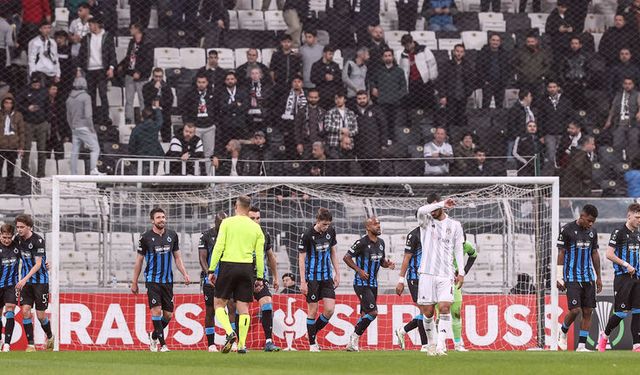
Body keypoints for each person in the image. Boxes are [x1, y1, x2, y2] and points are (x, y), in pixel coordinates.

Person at [208, 196, 265, 354]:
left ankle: (230, 332)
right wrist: (259, 277)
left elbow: (218, 247)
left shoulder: (227, 223)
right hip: (246, 268)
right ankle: (242, 345)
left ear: (236, 206)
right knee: (243, 308)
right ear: (249, 208)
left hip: (228, 265)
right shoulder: (255, 228)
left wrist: (211, 270)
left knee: (219, 304)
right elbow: (259, 255)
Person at [131, 207, 191, 352]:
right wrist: (134, 282)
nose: (162, 220)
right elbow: (139, 261)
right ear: (152, 220)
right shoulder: (145, 237)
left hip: (167, 281)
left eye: (163, 217)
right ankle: (162, 344)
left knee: (168, 315)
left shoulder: (172, 235)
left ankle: (154, 335)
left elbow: (177, 257)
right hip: (152, 280)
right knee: (156, 311)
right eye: (158, 217)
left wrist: (184, 273)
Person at [415, 194, 465, 356]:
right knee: (428, 312)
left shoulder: (455, 225)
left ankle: (441, 345)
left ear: (442, 209)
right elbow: (422, 210)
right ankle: (431, 343)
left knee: (445, 307)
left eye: (436, 208)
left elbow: (458, 249)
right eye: (432, 207)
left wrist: (462, 272)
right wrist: (441, 203)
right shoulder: (425, 221)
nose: (433, 211)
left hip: (446, 274)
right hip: (426, 273)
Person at [343, 217, 394, 352]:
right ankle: (354, 336)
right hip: (361, 283)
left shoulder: (381, 243)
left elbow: (381, 261)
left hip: (373, 284)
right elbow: (346, 257)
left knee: (365, 314)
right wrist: (358, 270)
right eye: (375, 224)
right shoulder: (361, 243)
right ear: (368, 228)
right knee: (373, 312)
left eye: (379, 224)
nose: (378, 226)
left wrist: (387, 264)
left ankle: (353, 344)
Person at [556, 204, 601, 352]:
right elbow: (561, 253)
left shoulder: (592, 232)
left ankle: (582, 346)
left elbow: (594, 254)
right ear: (582, 216)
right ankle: (563, 330)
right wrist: (559, 277)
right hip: (572, 276)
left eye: (593, 221)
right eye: (589, 220)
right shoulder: (567, 230)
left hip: (588, 277)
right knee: (575, 310)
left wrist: (598, 277)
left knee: (588, 311)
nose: (591, 224)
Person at [597, 203, 640, 352]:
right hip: (623, 277)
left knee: (638, 312)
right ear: (629, 216)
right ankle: (605, 335)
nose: (639, 220)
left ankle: (636, 345)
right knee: (621, 313)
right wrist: (625, 264)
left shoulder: (638, 234)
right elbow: (609, 254)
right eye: (637, 217)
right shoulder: (619, 232)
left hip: (637, 278)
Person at [298, 208, 340, 352]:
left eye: (328, 225)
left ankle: (311, 332)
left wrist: (337, 273)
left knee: (329, 310)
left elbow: (333, 253)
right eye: (323, 224)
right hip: (312, 279)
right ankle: (312, 344)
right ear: (317, 221)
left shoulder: (331, 232)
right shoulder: (307, 235)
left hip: (327, 277)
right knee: (313, 310)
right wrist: (303, 281)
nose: (325, 227)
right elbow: (301, 259)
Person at [15, 214, 54, 352]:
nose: (19, 229)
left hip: (40, 282)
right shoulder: (17, 239)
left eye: (22, 227)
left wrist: (24, 278)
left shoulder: (38, 240)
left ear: (29, 227)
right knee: (25, 311)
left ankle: (50, 336)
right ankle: (31, 345)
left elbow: (38, 264)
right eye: (17, 227)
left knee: (40, 315)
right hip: (26, 283)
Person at [248, 207, 281, 352]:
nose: (256, 221)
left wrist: (275, 277)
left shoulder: (264, 234)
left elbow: (271, 257)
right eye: (252, 218)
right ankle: (237, 341)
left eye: (258, 218)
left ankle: (268, 341)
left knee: (267, 304)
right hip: (243, 277)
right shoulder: (241, 234)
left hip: (261, 277)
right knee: (238, 309)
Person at [395, 219, 429, 352]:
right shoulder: (414, 235)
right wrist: (401, 280)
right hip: (415, 278)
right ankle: (425, 345)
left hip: (429, 278)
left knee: (428, 312)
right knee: (425, 311)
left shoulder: (434, 233)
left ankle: (402, 331)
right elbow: (407, 258)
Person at [77, 16, 117, 126]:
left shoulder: (107, 37)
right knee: (91, 95)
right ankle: (92, 118)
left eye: (91, 25)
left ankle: (105, 117)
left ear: (97, 24)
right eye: (89, 25)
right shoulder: (87, 38)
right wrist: (79, 68)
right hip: (90, 70)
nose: (90, 27)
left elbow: (112, 53)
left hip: (102, 70)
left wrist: (111, 67)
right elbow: (81, 54)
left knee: (103, 94)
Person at [440, 237, 478, 351]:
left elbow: (473, 255)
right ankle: (440, 344)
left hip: (455, 283)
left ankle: (458, 345)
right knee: (441, 314)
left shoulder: (467, 245)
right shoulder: (443, 246)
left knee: (456, 314)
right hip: (441, 282)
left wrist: (464, 271)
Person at [198, 211, 228, 352]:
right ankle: (211, 344)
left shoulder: (230, 235)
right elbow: (202, 258)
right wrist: (209, 273)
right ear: (215, 222)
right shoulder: (206, 236)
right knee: (210, 311)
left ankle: (232, 340)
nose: (222, 225)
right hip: (211, 280)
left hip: (228, 279)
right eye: (220, 222)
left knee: (232, 308)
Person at [66, 76, 103, 175]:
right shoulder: (86, 97)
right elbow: (88, 115)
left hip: (74, 127)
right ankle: (93, 169)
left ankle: (73, 173)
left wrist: (72, 127)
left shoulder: (69, 99)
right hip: (84, 126)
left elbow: (68, 117)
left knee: (75, 151)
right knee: (95, 148)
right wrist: (91, 128)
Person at [369, 48, 407, 141]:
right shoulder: (378, 71)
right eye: (385, 56)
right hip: (382, 102)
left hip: (395, 103)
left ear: (393, 57)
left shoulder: (399, 71)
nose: (388, 58)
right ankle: (383, 143)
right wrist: (373, 88)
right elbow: (372, 81)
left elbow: (404, 88)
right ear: (382, 58)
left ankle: (393, 144)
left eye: (389, 55)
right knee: (382, 123)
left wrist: (396, 96)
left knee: (393, 124)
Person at [120, 23, 152, 125]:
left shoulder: (147, 43)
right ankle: (129, 122)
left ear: (137, 29)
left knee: (143, 100)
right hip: (129, 74)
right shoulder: (132, 42)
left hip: (142, 77)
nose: (130, 30)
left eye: (132, 28)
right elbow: (128, 57)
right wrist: (120, 66)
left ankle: (144, 121)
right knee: (128, 101)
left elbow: (148, 61)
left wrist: (139, 72)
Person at [537, 81, 573, 173]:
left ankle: (562, 176)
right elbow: (540, 119)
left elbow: (570, 117)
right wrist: (541, 135)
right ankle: (551, 177)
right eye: (550, 87)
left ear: (558, 88)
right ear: (547, 89)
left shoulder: (566, 101)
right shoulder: (543, 102)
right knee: (551, 156)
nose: (552, 89)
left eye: (554, 87)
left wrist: (568, 130)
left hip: (563, 133)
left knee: (562, 155)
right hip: (549, 134)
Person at [17, 74, 48, 177]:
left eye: (37, 83)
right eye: (34, 83)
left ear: (40, 82)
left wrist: (46, 119)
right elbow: (17, 104)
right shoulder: (25, 91)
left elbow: (48, 106)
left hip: (41, 122)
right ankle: (24, 172)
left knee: (42, 149)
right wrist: (27, 108)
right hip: (28, 122)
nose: (36, 85)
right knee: (27, 148)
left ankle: (41, 173)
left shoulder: (44, 91)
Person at [398, 34, 438, 111]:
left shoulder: (423, 49)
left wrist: (432, 77)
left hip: (424, 82)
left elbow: (432, 63)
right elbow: (403, 70)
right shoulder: (404, 55)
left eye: (408, 44)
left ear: (412, 41)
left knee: (428, 105)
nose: (407, 47)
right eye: (405, 45)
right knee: (414, 106)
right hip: (412, 83)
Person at [604, 77, 640, 162]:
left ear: (633, 85)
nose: (627, 86)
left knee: (633, 143)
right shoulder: (619, 95)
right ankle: (618, 162)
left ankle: (632, 162)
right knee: (617, 143)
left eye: (629, 84)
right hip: (620, 123)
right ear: (623, 85)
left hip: (633, 124)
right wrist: (608, 121)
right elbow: (613, 109)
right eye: (626, 84)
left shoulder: (637, 94)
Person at [182, 74, 217, 159]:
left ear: (207, 83)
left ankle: (209, 172)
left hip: (209, 126)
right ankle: (195, 172)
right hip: (195, 127)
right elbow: (184, 109)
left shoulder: (213, 94)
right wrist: (188, 123)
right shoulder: (190, 94)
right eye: (199, 82)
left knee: (209, 152)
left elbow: (217, 109)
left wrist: (215, 122)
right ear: (196, 83)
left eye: (203, 82)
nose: (201, 84)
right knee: (193, 151)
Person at [354, 90, 388, 175]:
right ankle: (367, 188)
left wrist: (383, 143)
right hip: (360, 148)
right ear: (356, 99)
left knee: (375, 171)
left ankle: (377, 188)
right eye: (359, 98)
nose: (362, 100)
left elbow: (383, 127)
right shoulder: (353, 111)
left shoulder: (376, 110)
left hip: (374, 148)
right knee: (364, 172)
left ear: (368, 98)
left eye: (364, 98)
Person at [128, 105, 164, 175]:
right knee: (152, 176)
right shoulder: (155, 126)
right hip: (154, 157)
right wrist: (157, 109)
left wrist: (132, 157)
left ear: (142, 117)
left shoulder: (136, 129)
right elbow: (160, 120)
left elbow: (131, 145)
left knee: (142, 178)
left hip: (141, 157)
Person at [477, 33, 511, 109]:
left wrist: (504, 81)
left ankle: (498, 121)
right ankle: (485, 120)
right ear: (489, 41)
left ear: (500, 42)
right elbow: (478, 68)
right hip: (487, 83)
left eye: (497, 40)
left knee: (499, 106)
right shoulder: (483, 53)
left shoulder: (504, 53)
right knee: (485, 106)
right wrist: (484, 80)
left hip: (500, 83)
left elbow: (508, 69)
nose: (495, 42)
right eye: (493, 40)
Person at [0, 94, 25, 194]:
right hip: (1, 146)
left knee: (11, 170)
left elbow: (22, 132)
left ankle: (9, 188)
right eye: (6, 103)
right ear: (3, 103)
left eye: (10, 103)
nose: (8, 105)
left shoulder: (18, 115)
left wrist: (21, 147)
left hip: (13, 146)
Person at [0, 223, 19, 352]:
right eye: (4, 237)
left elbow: (31, 256)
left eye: (9, 237)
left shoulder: (17, 247)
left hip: (11, 285)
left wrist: (44, 263)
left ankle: (7, 344)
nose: (6, 240)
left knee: (10, 310)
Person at [142, 68, 174, 142]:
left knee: (166, 135)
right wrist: (155, 89)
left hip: (163, 112)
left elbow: (170, 101)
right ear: (152, 76)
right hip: (151, 113)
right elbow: (147, 99)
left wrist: (159, 104)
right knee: (150, 138)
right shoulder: (146, 86)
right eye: (156, 76)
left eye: (160, 76)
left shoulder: (166, 86)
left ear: (163, 76)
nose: (158, 79)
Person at [270, 34, 303, 98]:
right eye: (284, 42)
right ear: (281, 43)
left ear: (291, 43)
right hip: (279, 83)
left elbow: (298, 71)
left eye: (288, 42)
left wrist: (298, 84)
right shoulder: (276, 55)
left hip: (291, 84)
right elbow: (272, 70)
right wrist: (273, 82)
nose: (286, 44)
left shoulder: (295, 56)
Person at [311, 46, 342, 110]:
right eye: (330, 54)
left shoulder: (335, 65)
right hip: (321, 95)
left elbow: (340, 79)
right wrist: (323, 78)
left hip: (332, 95)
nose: (331, 56)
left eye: (332, 54)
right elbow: (312, 79)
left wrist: (333, 78)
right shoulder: (316, 65)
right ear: (324, 54)